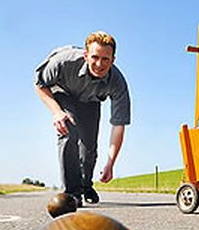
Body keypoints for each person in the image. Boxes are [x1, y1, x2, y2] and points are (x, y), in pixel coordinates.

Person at [34, 31, 131, 206]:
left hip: (90, 101)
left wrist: (110, 163)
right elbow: (40, 85)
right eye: (94, 57)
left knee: (89, 149)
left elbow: (118, 125)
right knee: (68, 130)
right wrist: (57, 112)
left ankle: (86, 185)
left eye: (105, 59)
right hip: (63, 93)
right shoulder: (64, 62)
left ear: (113, 60)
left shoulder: (117, 82)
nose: (99, 64)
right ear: (86, 55)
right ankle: (72, 192)